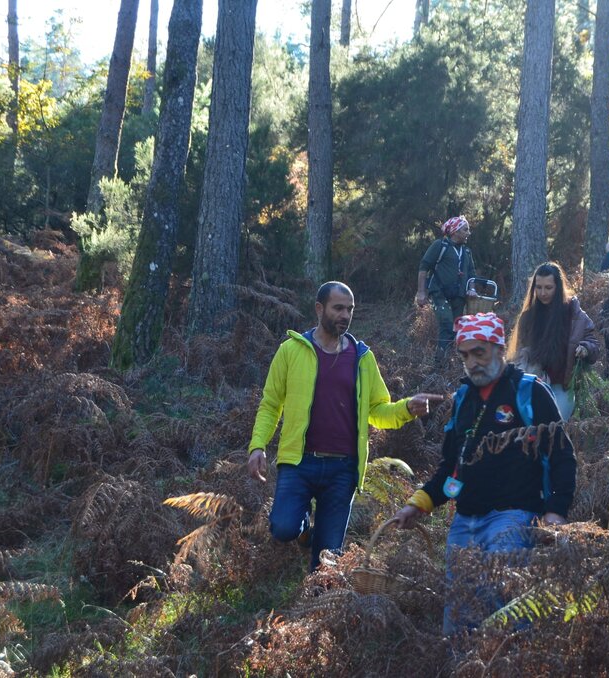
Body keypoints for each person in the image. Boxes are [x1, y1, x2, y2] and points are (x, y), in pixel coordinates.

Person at [392, 312, 577, 633]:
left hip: (514, 519)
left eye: (480, 352)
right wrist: (418, 503)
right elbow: (450, 466)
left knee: (507, 613)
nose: (472, 362)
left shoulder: (530, 393)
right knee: (460, 613)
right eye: (465, 355)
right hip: (465, 521)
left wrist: (556, 511)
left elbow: (562, 455)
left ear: (499, 348)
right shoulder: (463, 399)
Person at [246, 281, 444, 571]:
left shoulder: (362, 358)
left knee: (328, 559)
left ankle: (315, 603)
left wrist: (406, 408)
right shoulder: (290, 351)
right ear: (319, 309)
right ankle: (304, 534)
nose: (345, 315)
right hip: (298, 463)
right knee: (283, 527)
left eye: (349, 309)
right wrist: (257, 446)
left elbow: (377, 411)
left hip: (343, 469)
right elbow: (271, 404)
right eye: (338, 308)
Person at [508, 262, 600, 420]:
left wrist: (585, 348)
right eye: (539, 287)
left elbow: (593, 342)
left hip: (561, 386)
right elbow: (520, 350)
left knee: (555, 427)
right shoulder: (528, 316)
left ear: (558, 287)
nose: (543, 293)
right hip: (533, 384)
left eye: (548, 288)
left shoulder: (574, 314)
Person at [416, 215, 478, 357]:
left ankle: (452, 362)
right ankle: (439, 365)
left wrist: (472, 289)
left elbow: (471, 273)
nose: (468, 233)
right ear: (455, 231)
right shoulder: (440, 245)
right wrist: (421, 292)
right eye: (465, 229)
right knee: (447, 325)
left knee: (457, 328)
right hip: (439, 293)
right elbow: (424, 266)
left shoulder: (466, 252)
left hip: (459, 296)